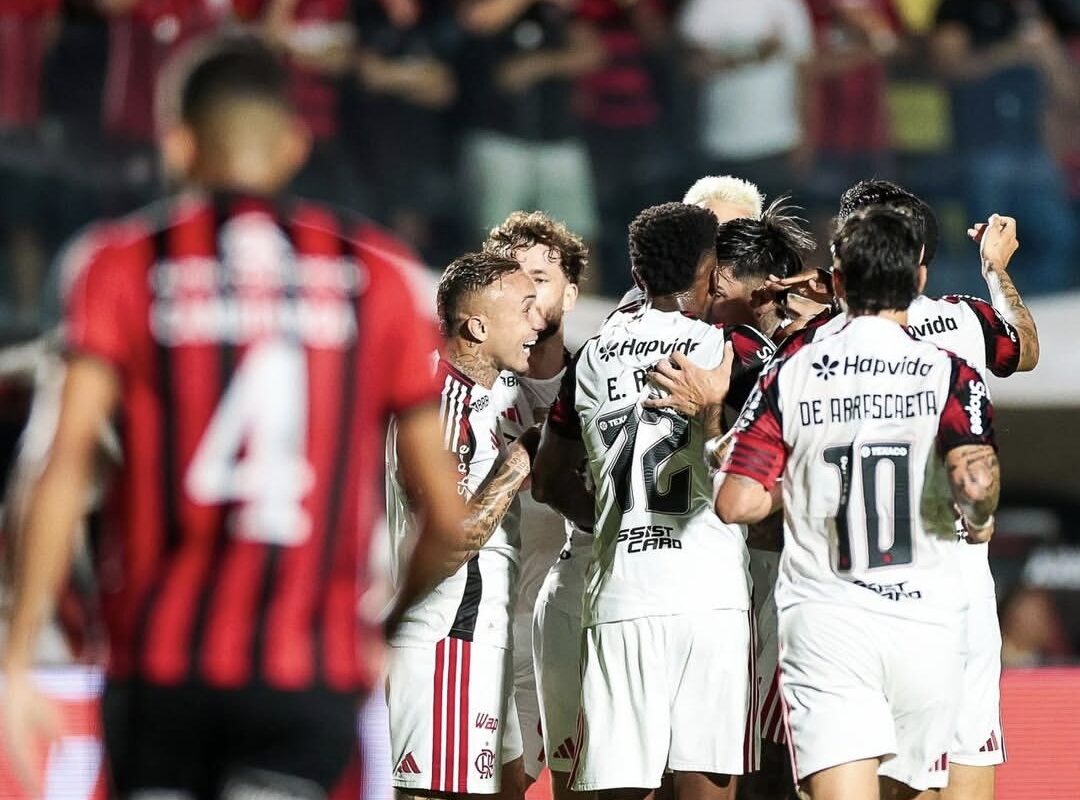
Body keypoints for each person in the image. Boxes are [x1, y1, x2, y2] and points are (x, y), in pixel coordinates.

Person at [0, 36, 469, 799]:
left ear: (176, 141)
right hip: (308, 673)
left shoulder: (121, 263)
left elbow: (57, 465)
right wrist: (377, 630)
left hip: (161, 670)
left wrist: (20, 656)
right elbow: (447, 517)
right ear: (293, 145)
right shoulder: (379, 275)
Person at [716, 207, 1002, 799]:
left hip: (828, 621)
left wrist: (805, 486)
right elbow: (976, 487)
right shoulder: (949, 373)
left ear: (838, 282)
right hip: (924, 620)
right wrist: (977, 524)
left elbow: (737, 502)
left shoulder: (793, 369)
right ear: (918, 282)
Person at [771, 180, 1039, 800]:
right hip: (952, 586)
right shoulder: (963, 321)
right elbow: (1024, 348)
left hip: (839, 588)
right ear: (920, 264)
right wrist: (996, 272)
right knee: (958, 765)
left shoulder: (813, 348)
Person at [533, 202, 775, 800]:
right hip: (707, 598)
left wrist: (620, 520)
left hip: (620, 594)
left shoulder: (591, 355)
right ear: (710, 269)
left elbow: (548, 479)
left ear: (638, 275)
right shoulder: (729, 346)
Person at [384, 250, 546, 800]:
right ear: (477, 326)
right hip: (448, 634)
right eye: (525, 308)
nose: (537, 322)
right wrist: (520, 459)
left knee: (509, 785)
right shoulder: (446, 403)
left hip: (478, 635)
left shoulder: (479, 396)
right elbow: (449, 540)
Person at [482, 211, 587, 793]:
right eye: (513, 276)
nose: (526, 290)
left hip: (582, 621)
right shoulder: (477, 391)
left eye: (541, 277)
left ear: (571, 292)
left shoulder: (603, 382)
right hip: (498, 626)